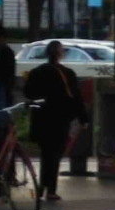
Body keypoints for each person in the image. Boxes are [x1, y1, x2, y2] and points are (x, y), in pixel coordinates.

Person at [22, 41, 88, 200]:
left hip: (41, 119)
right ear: (60, 54)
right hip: (60, 119)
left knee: (46, 154)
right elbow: (76, 98)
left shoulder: (36, 72)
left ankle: (42, 187)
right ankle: (50, 189)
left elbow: (28, 93)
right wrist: (83, 118)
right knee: (55, 155)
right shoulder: (67, 74)